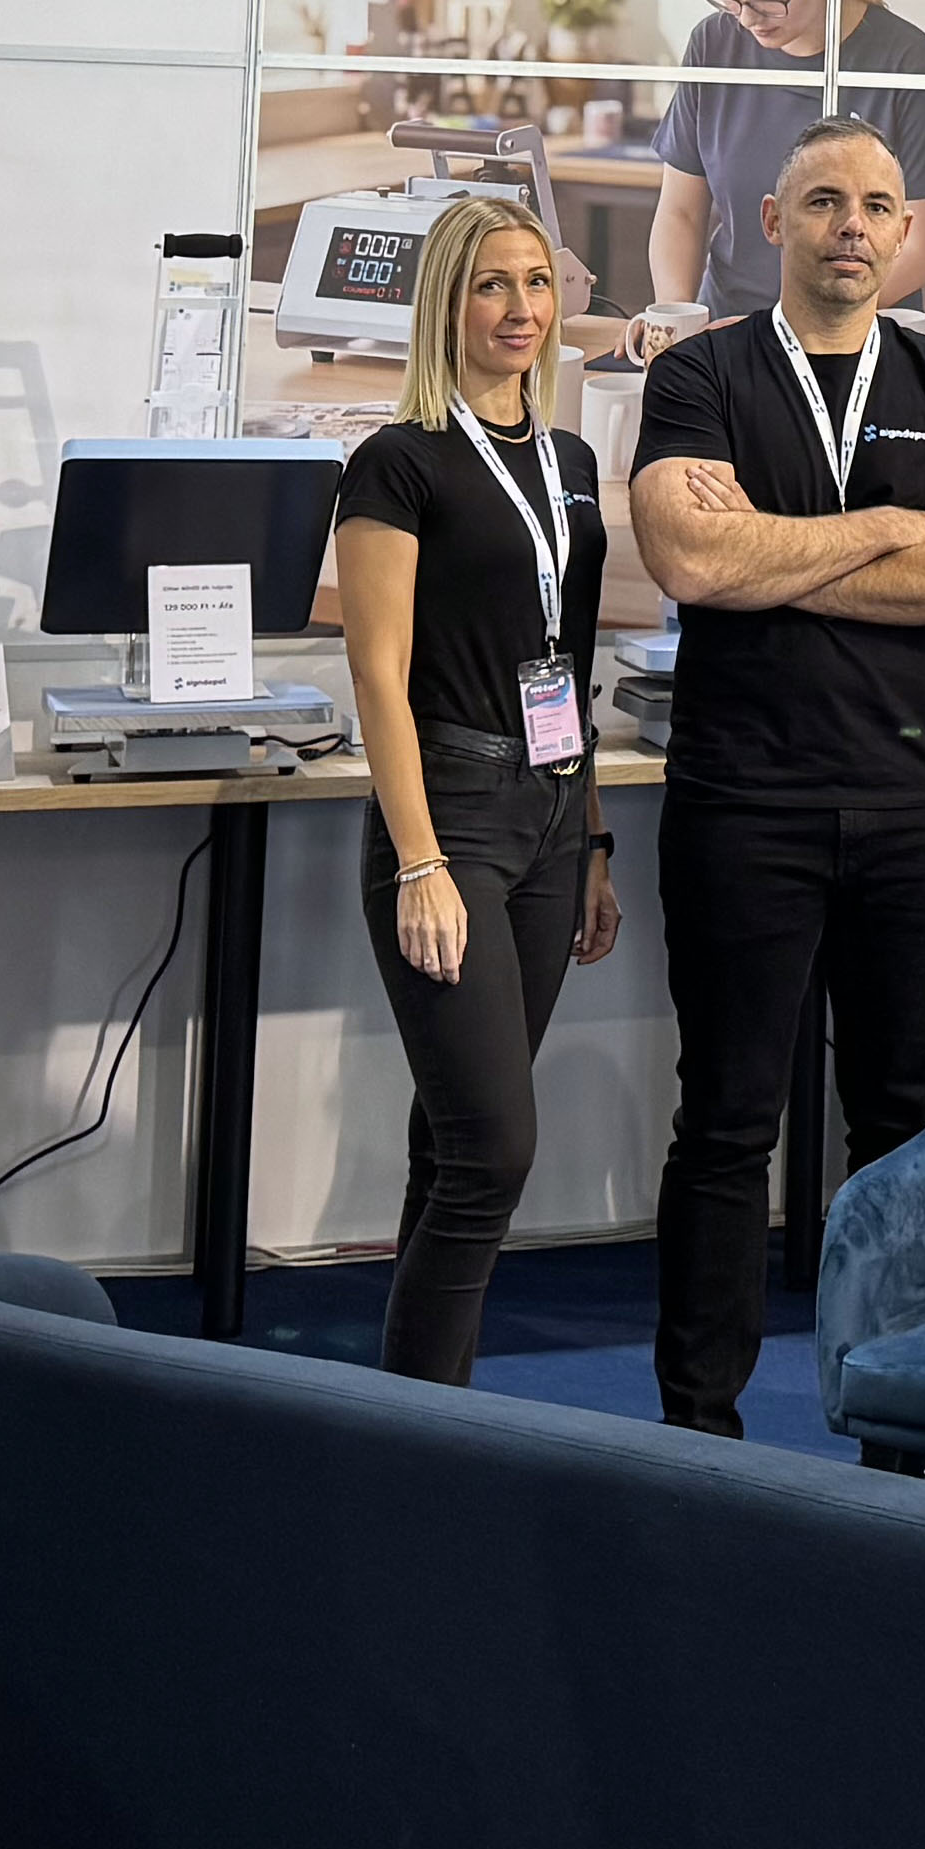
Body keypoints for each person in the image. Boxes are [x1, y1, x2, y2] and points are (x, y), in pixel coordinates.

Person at [630, 117, 925, 1435]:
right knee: (727, 1120)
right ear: (770, 221)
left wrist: (777, 555)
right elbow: (692, 561)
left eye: (875, 204)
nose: (852, 225)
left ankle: (900, 1421)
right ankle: (699, 1427)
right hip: (745, 799)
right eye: (823, 202)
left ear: (905, 230)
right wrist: (888, 528)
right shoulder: (701, 374)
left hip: (920, 807)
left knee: (907, 1122)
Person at [331, 193, 623, 1385]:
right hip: (451, 812)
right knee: (494, 1149)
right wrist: (420, 861)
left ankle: (416, 1409)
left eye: (537, 283)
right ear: (445, 304)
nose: (520, 308)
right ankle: (421, 1428)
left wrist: (593, 840)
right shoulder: (398, 462)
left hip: (552, 813)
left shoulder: (572, 461)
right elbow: (377, 674)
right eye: (492, 284)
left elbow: (573, 658)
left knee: (454, 1142)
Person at [631, 0, 925, 345]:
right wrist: (679, 322)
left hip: (847, 340)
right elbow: (680, 211)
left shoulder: (907, 63)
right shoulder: (713, 45)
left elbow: (918, 249)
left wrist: (790, 329)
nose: (747, 17)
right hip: (725, 329)